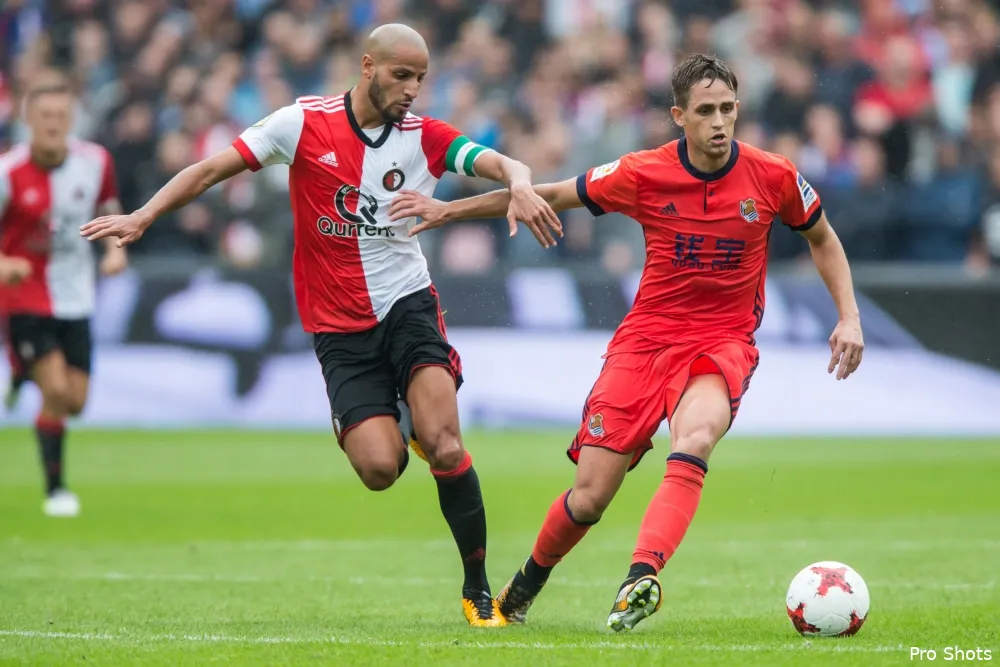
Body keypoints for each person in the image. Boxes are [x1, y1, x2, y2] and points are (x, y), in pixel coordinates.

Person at [80, 23, 560, 628]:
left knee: (444, 444)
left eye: (420, 78)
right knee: (381, 470)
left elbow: (501, 161)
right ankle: (390, 418)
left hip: (407, 305)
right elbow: (210, 170)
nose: (412, 89)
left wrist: (519, 182)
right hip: (338, 328)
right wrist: (145, 215)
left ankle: (477, 590)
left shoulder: (426, 137)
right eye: (401, 75)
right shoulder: (302, 123)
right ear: (367, 66)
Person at [388, 54, 865, 632]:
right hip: (644, 344)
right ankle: (525, 586)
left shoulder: (774, 176)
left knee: (696, 436)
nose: (720, 122)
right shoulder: (642, 172)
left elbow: (822, 237)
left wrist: (849, 316)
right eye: (706, 111)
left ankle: (640, 576)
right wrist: (450, 210)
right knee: (588, 498)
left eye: (728, 110)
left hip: (722, 342)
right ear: (679, 117)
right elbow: (549, 195)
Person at [0, 70, 128, 518]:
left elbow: (108, 206)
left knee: (74, 401)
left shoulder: (95, 161)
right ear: (28, 119)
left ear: (72, 117)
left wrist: (115, 249)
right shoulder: (7, 171)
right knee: (54, 388)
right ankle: (56, 490)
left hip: (77, 295)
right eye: (45, 115)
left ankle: (19, 374)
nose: (53, 123)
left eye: (61, 114)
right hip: (24, 297)